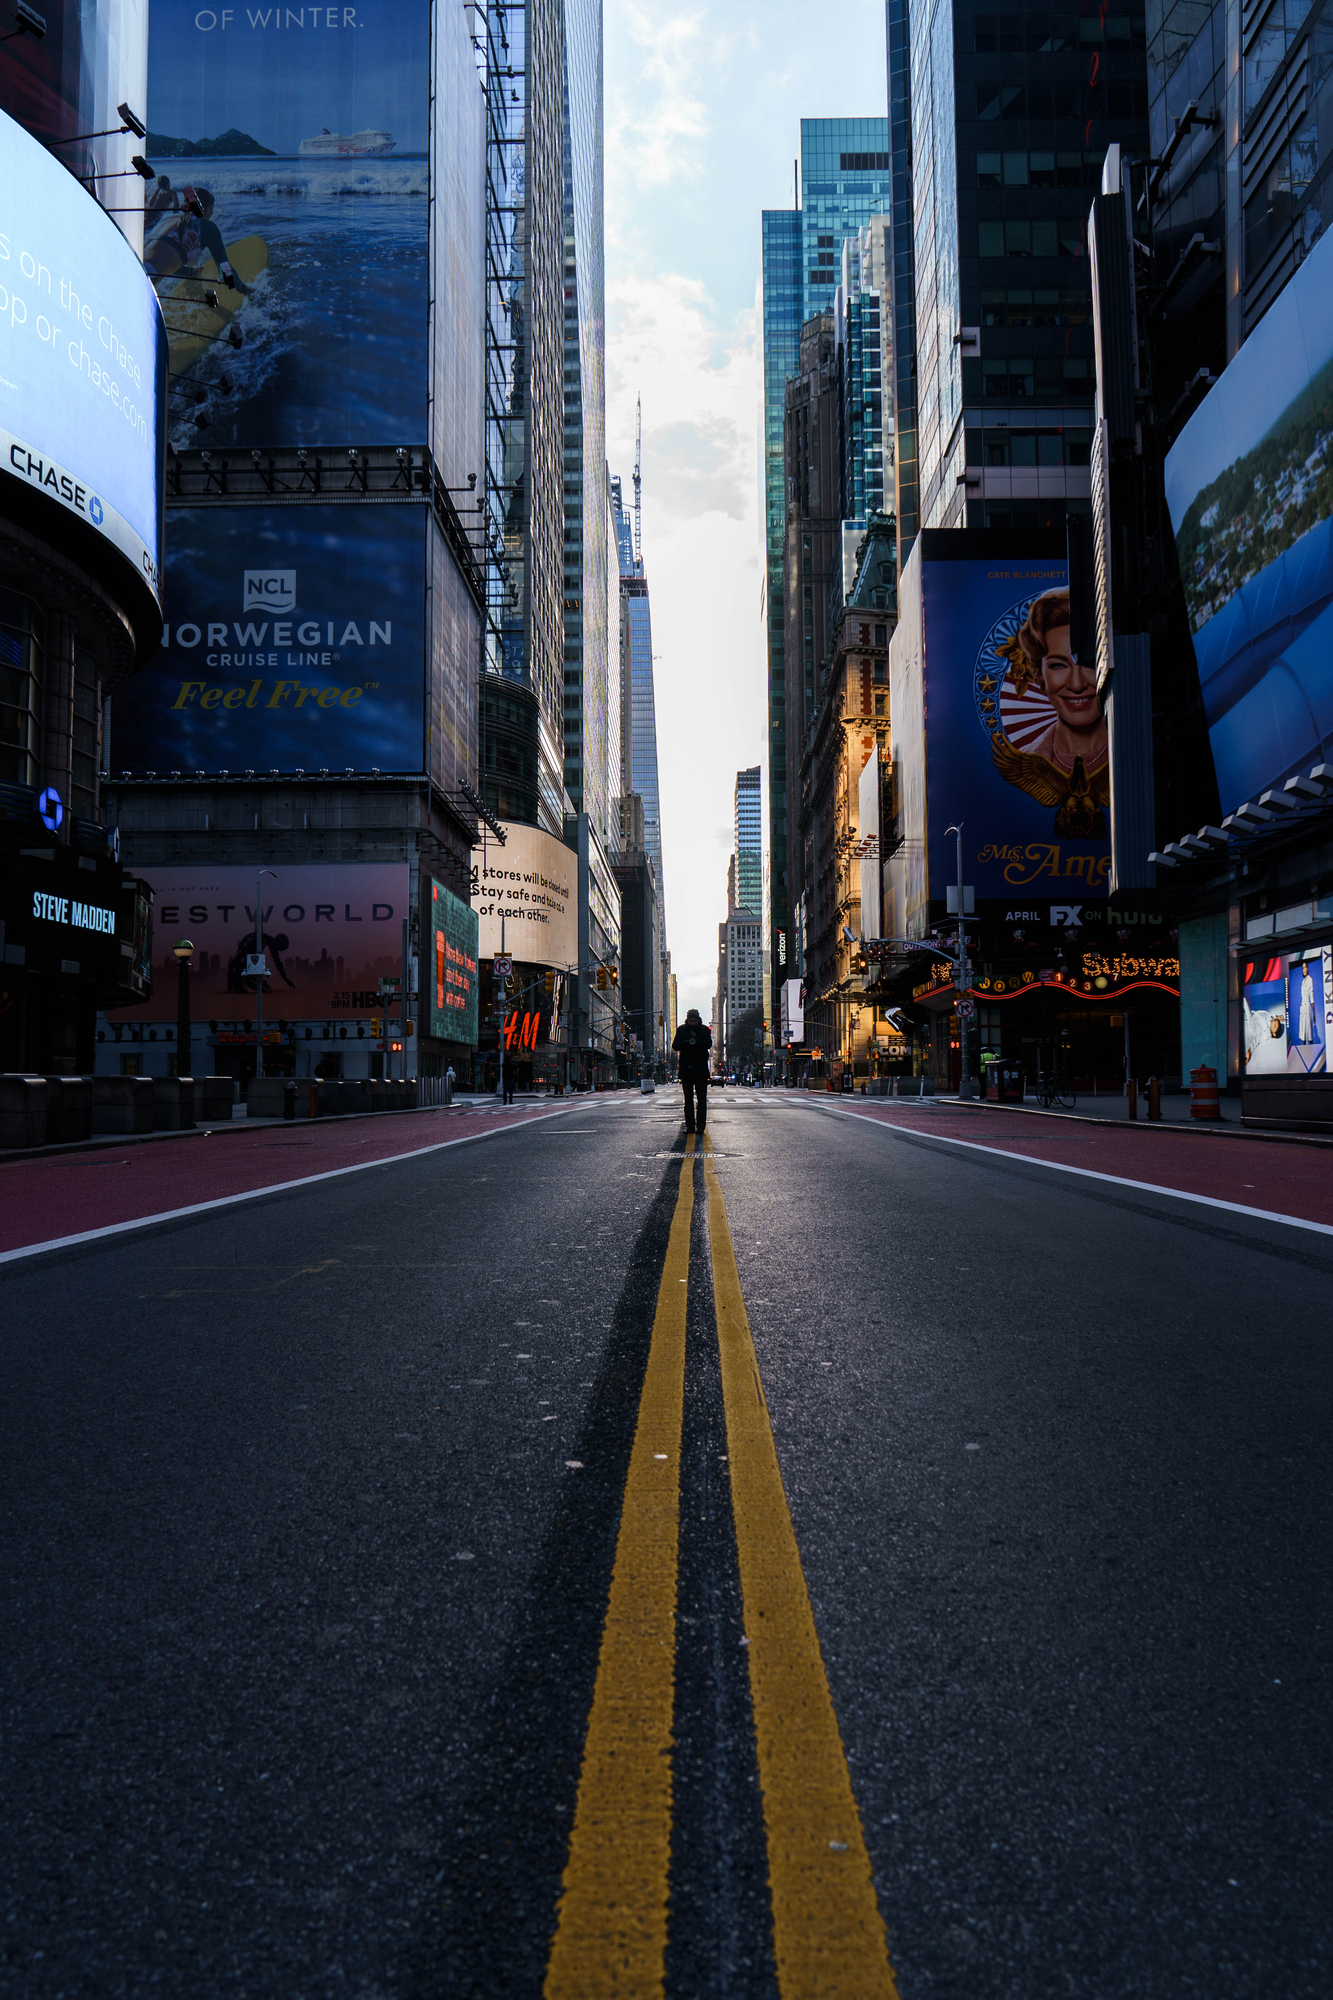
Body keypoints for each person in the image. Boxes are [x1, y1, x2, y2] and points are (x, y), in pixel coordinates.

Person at [991, 587, 1109, 837]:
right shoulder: (1029, 757)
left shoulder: (1138, 752)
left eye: (1088, 663)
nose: (1077, 684)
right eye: (1058, 665)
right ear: (1039, 676)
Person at [145, 185, 254, 295]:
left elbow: (163, 255)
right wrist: (243, 289)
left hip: (132, 264)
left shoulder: (168, 218)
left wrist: (188, 271)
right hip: (148, 276)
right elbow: (224, 268)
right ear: (208, 208)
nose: (212, 212)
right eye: (212, 208)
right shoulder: (208, 227)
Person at [672, 1007, 712, 1134]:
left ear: (698, 1020)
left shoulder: (705, 1030)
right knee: (688, 1100)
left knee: (702, 1100)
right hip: (686, 1070)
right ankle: (690, 1126)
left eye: (694, 1021)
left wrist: (698, 1042)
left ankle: (701, 1126)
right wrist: (685, 1043)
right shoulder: (681, 1030)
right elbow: (675, 1046)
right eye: (691, 1021)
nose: (693, 1023)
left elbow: (709, 1044)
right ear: (687, 1020)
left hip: (700, 1070)